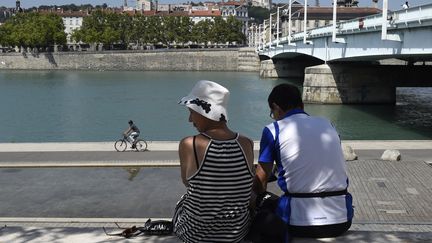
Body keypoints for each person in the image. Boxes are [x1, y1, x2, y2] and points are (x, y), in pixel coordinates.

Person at [251, 84, 354, 242]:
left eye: (272, 113)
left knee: (260, 204)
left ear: (276, 107)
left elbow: (261, 180)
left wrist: (259, 197)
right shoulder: (329, 125)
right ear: (302, 105)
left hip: (298, 222)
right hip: (341, 220)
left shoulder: (274, 130)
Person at [173, 80, 255, 243]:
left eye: (192, 112)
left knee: (183, 202)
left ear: (203, 111)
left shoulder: (190, 144)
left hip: (195, 235)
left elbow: (188, 183)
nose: (190, 119)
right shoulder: (246, 143)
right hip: (235, 234)